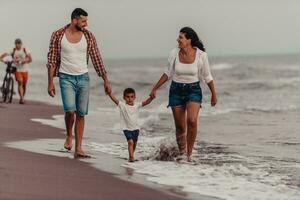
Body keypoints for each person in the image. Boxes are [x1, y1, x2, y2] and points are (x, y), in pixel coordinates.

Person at [46, 8, 111, 158]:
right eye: (83, 21)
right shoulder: (58, 35)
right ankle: (69, 135)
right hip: (65, 77)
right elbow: (51, 60)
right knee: (70, 110)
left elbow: (97, 59)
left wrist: (105, 80)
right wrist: (50, 82)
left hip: (83, 78)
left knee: (81, 113)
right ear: (74, 20)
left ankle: (79, 148)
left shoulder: (88, 36)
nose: (86, 24)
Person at [150, 27, 217, 162]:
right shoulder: (174, 53)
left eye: (181, 37)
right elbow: (167, 73)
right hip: (176, 90)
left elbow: (207, 76)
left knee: (192, 120)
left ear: (189, 40)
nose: (177, 40)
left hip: (193, 90)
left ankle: (189, 155)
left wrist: (213, 94)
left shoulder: (201, 55)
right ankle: (182, 154)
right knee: (180, 127)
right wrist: (155, 88)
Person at [108, 88, 153, 162]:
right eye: (127, 97)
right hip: (126, 128)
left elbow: (146, 102)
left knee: (134, 143)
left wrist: (151, 98)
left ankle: (132, 154)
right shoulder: (122, 105)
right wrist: (110, 94)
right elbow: (115, 100)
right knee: (130, 142)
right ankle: (131, 157)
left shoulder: (137, 105)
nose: (130, 99)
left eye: (132, 97)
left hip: (136, 128)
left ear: (135, 97)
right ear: (124, 98)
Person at [0, 38, 32, 104]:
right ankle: (22, 99)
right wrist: (1, 58)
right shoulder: (13, 50)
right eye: (16, 44)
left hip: (25, 70)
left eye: (18, 44)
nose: (17, 45)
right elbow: (6, 54)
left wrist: (23, 61)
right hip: (17, 69)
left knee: (24, 85)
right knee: (20, 82)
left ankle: (22, 97)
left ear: (21, 44)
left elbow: (30, 59)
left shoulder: (25, 49)